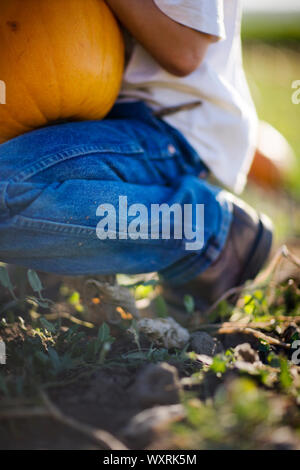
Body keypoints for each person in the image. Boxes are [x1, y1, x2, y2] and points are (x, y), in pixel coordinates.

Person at [0, 0, 273, 313]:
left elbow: (185, 50)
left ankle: (207, 229)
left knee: (6, 188)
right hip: (93, 118)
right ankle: (45, 270)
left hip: (171, 128)